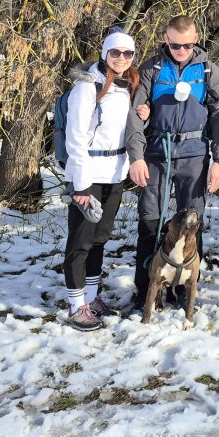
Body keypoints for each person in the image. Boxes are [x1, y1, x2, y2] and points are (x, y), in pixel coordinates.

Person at [127, 16, 219, 313]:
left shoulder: (209, 71)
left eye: (186, 45)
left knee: (193, 222)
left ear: (196, 39)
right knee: (150, 219)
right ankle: (145, 290)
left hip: (195, 154)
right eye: (174, 45)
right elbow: (135, 115)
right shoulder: (151, 69)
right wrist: (136, 157)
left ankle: (185, 289)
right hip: (157, 152)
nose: (181, 50)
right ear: (165, 39)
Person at [62, 31, 138, 330]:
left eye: (127, 53)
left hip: (115, 173)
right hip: (89, 174)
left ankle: (92, 298)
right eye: (115, 52)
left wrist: (142, 114)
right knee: (80, 241)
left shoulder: (127, 85)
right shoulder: (87, 87)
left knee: (99, 238)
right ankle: (76, 305)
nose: (121, 58)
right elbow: (75, 137)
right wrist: (80, 184)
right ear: (105, 53)